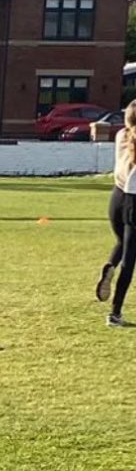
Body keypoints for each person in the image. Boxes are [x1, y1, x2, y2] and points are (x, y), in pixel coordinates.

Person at [96, 101, 136, 326]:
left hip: (117, 197)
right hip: (134, 201)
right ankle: (115, 314)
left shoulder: (121, 135)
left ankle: (110, 265)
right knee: (129, 262)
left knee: (122, 241)